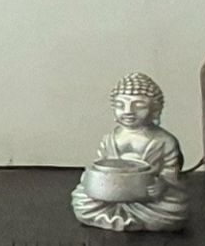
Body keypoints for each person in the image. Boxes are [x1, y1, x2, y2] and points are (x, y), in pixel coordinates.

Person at [71, 72, 190, 234]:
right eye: (121, 105)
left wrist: (162, 185)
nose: (128, 111)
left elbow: (170, 171)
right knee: (81, 199)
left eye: (139, 106)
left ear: (155, 109)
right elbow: (100, 165)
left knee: (175, 208)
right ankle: (118, 217)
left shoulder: (165, 141)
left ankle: (129, 219)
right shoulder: (110, 138)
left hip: (148, 198)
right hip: (111, 195)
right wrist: (90, 179)